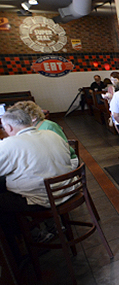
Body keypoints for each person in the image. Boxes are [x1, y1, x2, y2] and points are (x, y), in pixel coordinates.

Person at [0, 109, 72, 258]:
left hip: (44, 199)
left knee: (4, 200)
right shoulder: (51, 135)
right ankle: (53, 223)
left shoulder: (9, 144)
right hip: (68, 190)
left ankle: (31, 237)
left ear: (10, 127)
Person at [8, 101, 78, 168]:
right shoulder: (30, 128)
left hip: (66, 161)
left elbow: (65, 147)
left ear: (33, 117)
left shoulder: (49, 126)